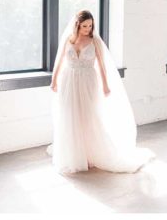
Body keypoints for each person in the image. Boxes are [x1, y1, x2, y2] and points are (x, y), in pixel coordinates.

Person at [49, 10, 153, 175]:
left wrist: (105, 85)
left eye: (90, 25)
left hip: (88, 81)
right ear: (77, 25)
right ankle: (75, 154)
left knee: (89, 116)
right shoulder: (68, 40)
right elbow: (60, 60)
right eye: (84, 26)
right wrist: (54, 80)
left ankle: (91, 154)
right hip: (69, 81)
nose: (88, 29)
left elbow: (102, 65)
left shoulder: (94, 40)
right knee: (70, 115)